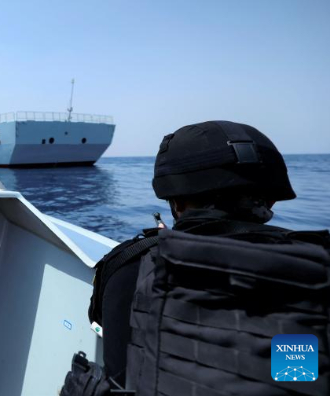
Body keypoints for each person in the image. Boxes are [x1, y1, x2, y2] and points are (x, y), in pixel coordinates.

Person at [64, 120, 329, 395]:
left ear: (176, 202)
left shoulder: (131, 265)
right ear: (270, 201)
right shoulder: (318, 271)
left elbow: (115, 356)